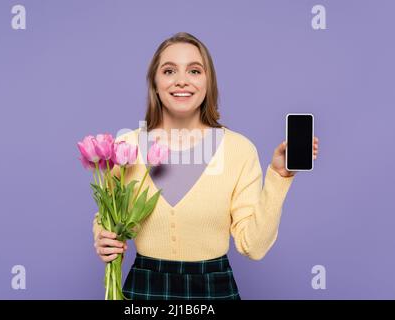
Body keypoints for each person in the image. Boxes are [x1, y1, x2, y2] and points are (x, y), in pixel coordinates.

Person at [93, 32, 320, 300]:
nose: (181, 81)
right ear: (154, 82)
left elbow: (254, 247)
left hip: (215, 289)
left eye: (194, 70)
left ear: (208, 82)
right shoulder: (125, 147)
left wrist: (279, 177)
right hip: (144, 286)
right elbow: (107, 217)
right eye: (168, 71)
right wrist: (102, 236)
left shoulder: (239, 150)